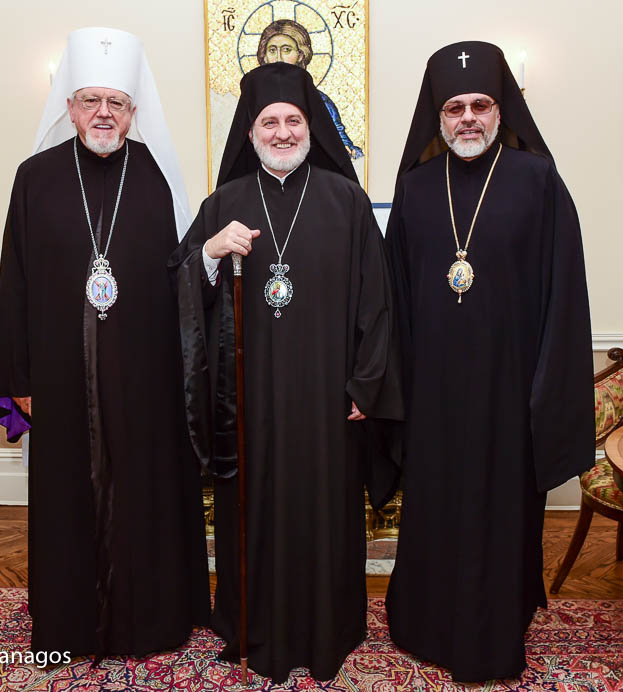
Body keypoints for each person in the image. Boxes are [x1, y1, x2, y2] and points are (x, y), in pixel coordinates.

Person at [169, 62, 401, 683]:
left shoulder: (346, 200)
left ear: (311, 127)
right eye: (268, 122)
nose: (281, 132)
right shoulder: (223, 204)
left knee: (325, 513)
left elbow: (378, 302)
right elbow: (178, 288)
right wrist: (209, 254)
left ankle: (329, 627)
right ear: (249, 132)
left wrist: (367, 383)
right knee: (253, 508)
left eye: (293, 120)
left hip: (329, 401)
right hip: (247, 402)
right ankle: (250, 622)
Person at [0, 27, 209, 658]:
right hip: (60, 378)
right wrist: (18, 379)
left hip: (144, 376)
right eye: (91, 101)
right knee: (68, 496)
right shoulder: (35, 178)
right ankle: (70, 623)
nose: (104, 113)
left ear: (134, 111)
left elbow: (181, 278)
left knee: (142, 493)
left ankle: (149, 621)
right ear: (69, 106)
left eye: (116, 102)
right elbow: (14, 281)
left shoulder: (157, 177)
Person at [384, 41, 594, 683]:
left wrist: (545, 391)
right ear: (438, 116)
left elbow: (564, 294)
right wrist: (395, 391)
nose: (468, 117)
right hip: (434, 396)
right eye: (455, 107)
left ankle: (498, 630)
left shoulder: (538, 181)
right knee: (436, 508)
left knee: (502, 513)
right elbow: (394, 298)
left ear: (502, 110)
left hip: (510, 394)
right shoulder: (416, 189)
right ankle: (425, 623)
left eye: (480, 104)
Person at [255, 19, 363, 159]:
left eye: (287, 50)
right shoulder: (253, 99)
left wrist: (347, 150)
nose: (279, 58)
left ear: (301, 55)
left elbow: (339, 136)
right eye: (272, 50)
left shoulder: (320, 101)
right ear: (264, 56)